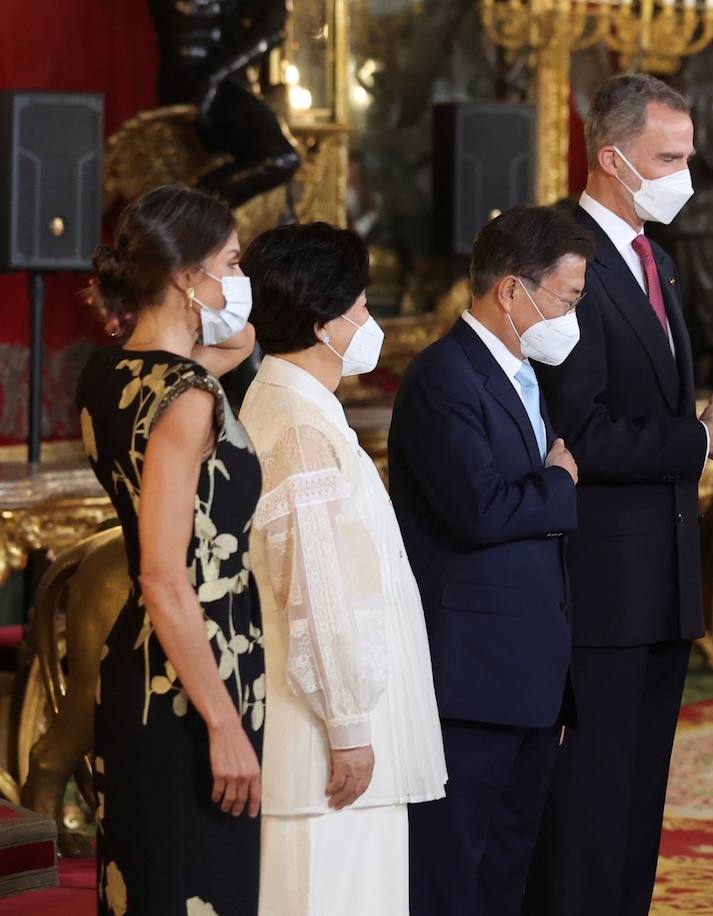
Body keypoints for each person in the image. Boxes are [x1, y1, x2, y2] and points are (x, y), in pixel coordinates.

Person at [525, 74, 713, 916]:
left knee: (637, 803)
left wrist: (691, 429)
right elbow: (583, 429)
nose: (686, 172)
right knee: (588, 801)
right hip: (600, 581)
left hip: (662, 579)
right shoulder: (558, 252)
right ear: (613, 158)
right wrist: (699, 440)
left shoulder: (658, 257)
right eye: (671, 157)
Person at [238, 222, 447, 916]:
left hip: (331, 726)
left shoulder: (297, 406)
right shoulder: (297, 425)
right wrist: (349, 728)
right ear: (324, 323)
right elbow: (318, 592)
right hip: (324, 740)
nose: (369, 323)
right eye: (360, 308)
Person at [389, 206, 593, 916]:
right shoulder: (444, 376)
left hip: (530, 666)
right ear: (512, 290)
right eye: (566, 300)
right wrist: (559, 484)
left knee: (508, 860)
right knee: (453, 866)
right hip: (470, 672)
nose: (571, 316)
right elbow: (479, 509)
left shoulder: (523, 374)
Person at [75, 185, 264, 914]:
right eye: (232, 261)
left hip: (147, 670)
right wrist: (223, 724)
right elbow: (163, 576)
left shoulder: (110, 373)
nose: (241, 278)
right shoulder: (185, 396)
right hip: (191, 682)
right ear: (188, 276)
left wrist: (207, 310)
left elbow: (235, 343)